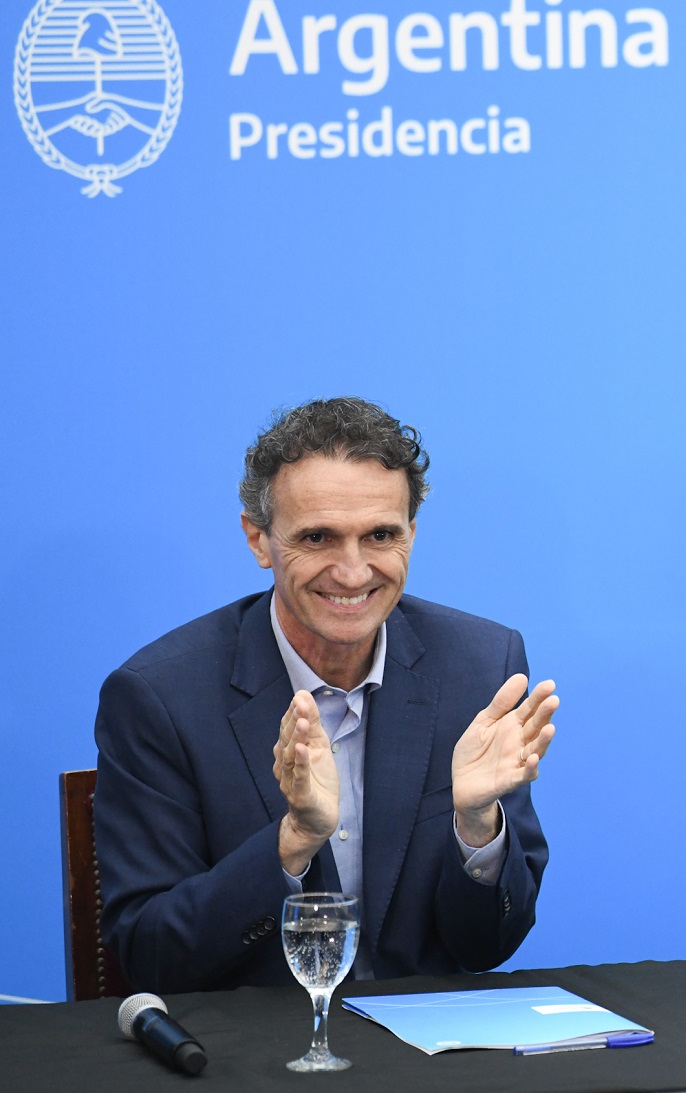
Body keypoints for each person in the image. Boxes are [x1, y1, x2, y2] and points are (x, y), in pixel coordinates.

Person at [95, 398, 561, 991]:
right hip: (250, 1059)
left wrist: (474, 825)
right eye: (317, 537)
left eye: (380, 535)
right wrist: (290, 844)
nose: (352, 571)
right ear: (259, 540)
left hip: (422, 1059)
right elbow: (149, 955)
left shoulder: (479, 666)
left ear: (411, 536)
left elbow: (489, 944)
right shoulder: (159, 697)